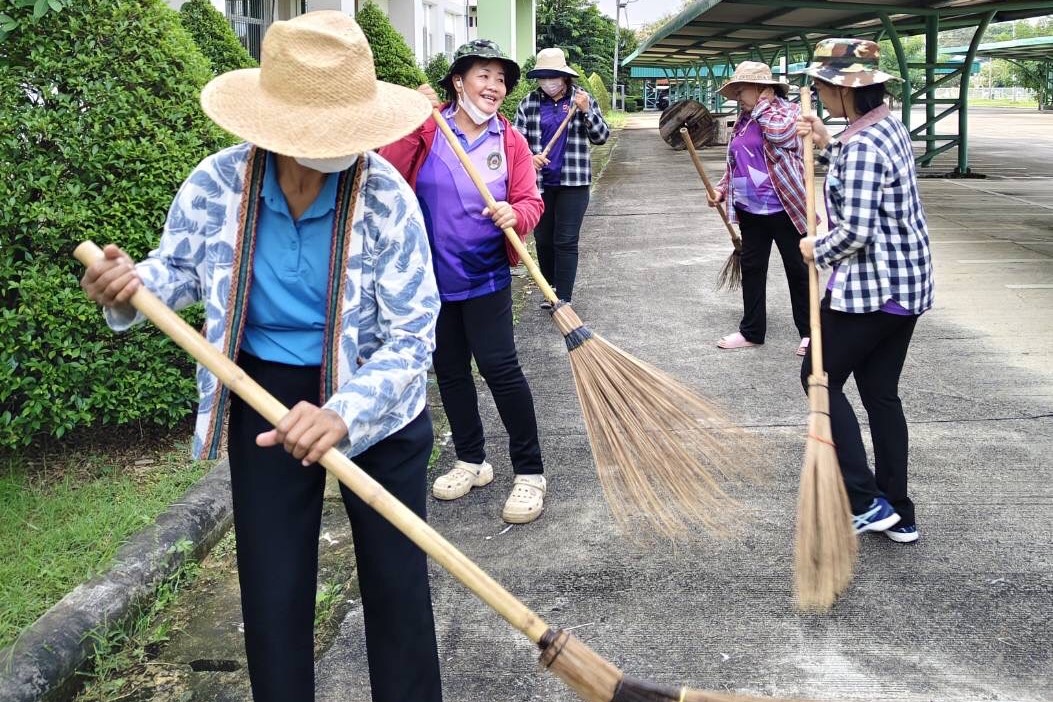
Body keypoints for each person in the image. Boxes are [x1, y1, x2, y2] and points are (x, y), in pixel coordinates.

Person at [80, 13, 443, 701]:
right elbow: (176, 273)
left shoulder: (387, 199)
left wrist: (343, 414)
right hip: (262, 391)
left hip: (376, 396)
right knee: (272, 586)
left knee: (398, 584)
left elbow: (410, 337)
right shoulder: (218, 185)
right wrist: (128, 288)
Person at [378, 40, 548, 525]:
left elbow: (530, 201)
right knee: (449, 370)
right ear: (458, 81)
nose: (495, 87)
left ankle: (530, 472)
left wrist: (516, 212)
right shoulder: (431, 130)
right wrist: (417, 119)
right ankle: (472, 460)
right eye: (484, 76)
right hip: (431, 279)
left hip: (485, 275)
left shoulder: (508, 140)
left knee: (500, 369)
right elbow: (387, 172)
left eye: (501, 79)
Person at [795, 38, 934, 544]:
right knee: (880, 394)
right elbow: (868, 174)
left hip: (875, 291)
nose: (818, 94)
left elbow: (854, 232)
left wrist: (814, 248)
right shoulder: (885, 127)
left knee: (817, 376)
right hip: (908, 287)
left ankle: (864, 499)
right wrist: (827, 140)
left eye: (822, 86)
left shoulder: (860, 148)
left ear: (842, 91)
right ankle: (900, 512)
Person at [709, 61, 811, 356]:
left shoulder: (789, 112)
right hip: (750, 209)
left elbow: (782, 136)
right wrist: (721, 188)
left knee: (798, 269)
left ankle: (809, 334)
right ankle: (752, 331)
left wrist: (763, 106)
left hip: (784, 206)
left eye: (742, 90)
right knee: (752, 269)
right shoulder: (743, 119)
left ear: (762, 89)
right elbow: (736, 161)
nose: (738, 96)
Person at [513, 47, 609, 308]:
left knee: (565, 240)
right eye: (543, 76)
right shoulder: (529, 103)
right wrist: (530, 158)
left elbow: (601, 137)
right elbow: (515, 143)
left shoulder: (582, 99)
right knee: (543, 239)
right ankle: (550, 288)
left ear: (565, 76)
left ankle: (563, 297)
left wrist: (587, 111)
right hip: (539, 183)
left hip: (574, 183)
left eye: (553, 76)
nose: (548, 82)